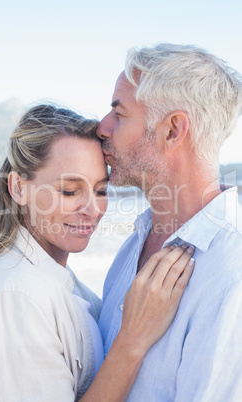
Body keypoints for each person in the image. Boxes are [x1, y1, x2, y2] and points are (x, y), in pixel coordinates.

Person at [0, 104, 195, 401]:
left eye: (101, 190)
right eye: (69, 190)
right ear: (18, 187)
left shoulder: (54, 276)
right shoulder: (17, 296)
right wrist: (132, 340)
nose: (92, 210)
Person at [97, 43, 242, 401]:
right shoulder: (135, 244)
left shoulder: (230, 275)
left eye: (119, 113)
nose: (101, 127)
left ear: (173, 131)